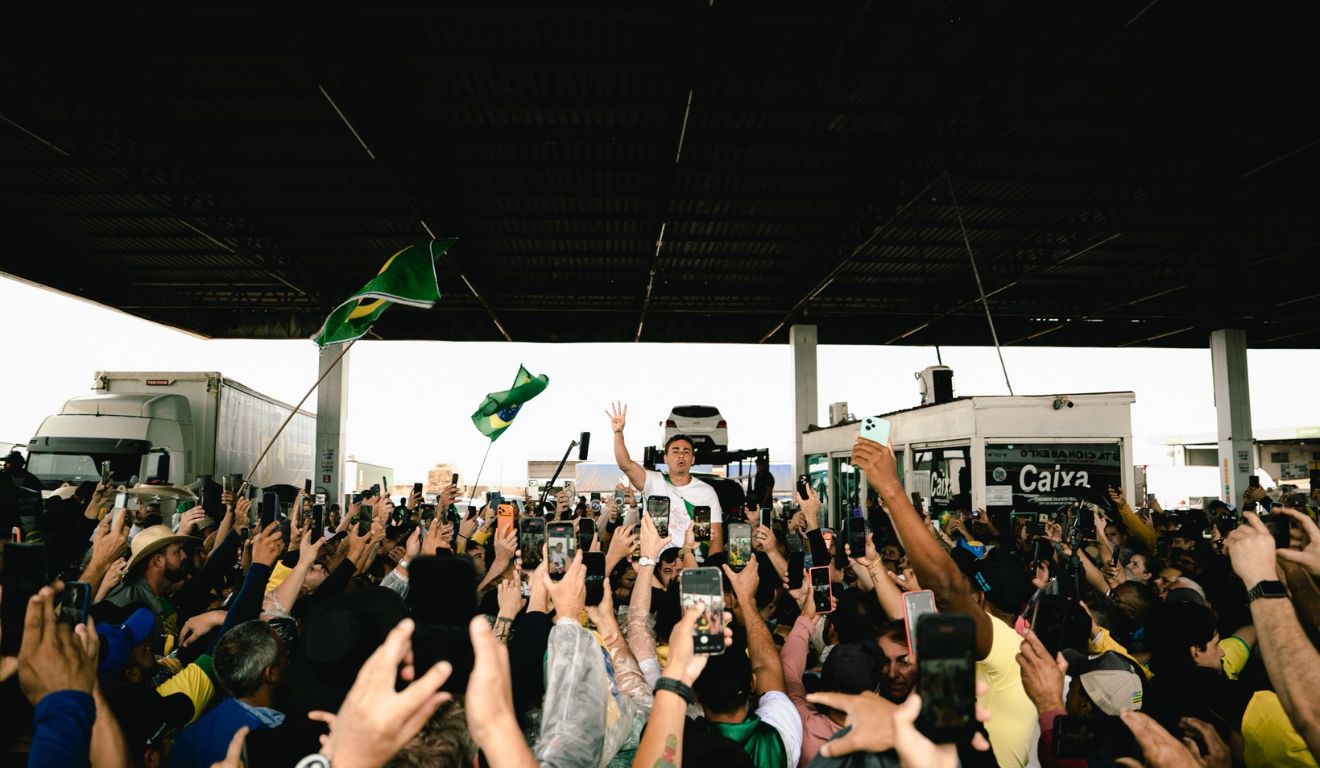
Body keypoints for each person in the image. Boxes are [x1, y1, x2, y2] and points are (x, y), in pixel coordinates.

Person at [609, 401, 724, 554]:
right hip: (655, 563)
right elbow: (625, 464)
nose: (681, 455)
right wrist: (618, 433)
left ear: (693, 460)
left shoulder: (707, 492)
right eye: (675, 451)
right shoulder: (652, 481)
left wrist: (709, 570)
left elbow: (716, 537)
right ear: (665, 458)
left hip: (693, 563)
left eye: (686, 452)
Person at [170, 620, 289, 767]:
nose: (288, 660)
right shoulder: (269, 745)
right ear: (272, 673)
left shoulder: (191, 733)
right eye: (285, 654)